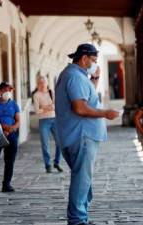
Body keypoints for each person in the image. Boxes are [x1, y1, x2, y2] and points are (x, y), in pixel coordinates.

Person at [55, 43, 119, 225]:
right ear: (84, 58)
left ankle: (81, 215)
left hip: (78, 135)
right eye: (93, 60)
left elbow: (85, 97)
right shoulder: (74, 77)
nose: (95, 63)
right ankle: (77, 220)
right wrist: (106, 113)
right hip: (81, 136)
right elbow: (80, 107)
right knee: (81, 178)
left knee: (84, 178)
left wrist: (95, 78)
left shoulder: (75, 76)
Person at [0, 82, 20, 192]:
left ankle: (7, 184)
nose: (7, 92)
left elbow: (18, 121)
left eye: (9, 90)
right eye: (5, 90)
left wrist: (11, 129)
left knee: (10, 160)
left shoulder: (14, 104)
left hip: (11, 134)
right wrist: (3, 128)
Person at [33, 76, 62, 173]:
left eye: (44, 82)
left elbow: (56, 105)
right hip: (43, 121)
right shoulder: (36, 95)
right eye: (40, 82)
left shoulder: (51, 92)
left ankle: (57, 162)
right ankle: (48, 165)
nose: (42, 84)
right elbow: (37, 111)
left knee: (60, 142)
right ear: (37, 84)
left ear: (47, 83)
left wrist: (46, 107)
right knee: (45, 144)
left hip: (54, 119)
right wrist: (46, 108)